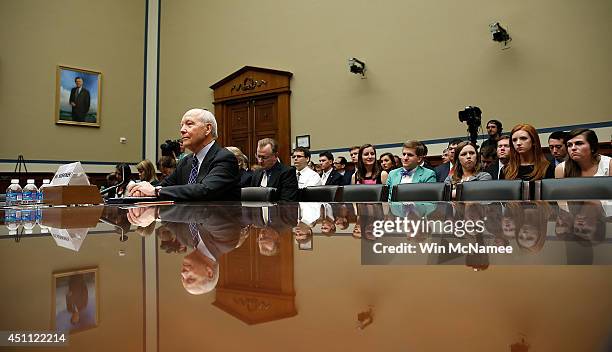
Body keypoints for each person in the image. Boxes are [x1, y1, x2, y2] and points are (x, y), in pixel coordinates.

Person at [129, 108, 240, 201]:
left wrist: (156, 191)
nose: (182, 130)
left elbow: (205, 190)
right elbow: (165, 186)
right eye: (181, 126)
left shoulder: (225, 158)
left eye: (189, 124)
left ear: (207, 129)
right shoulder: (186, 161)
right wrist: (140, 189)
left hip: (218, 224)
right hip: (185, 222)